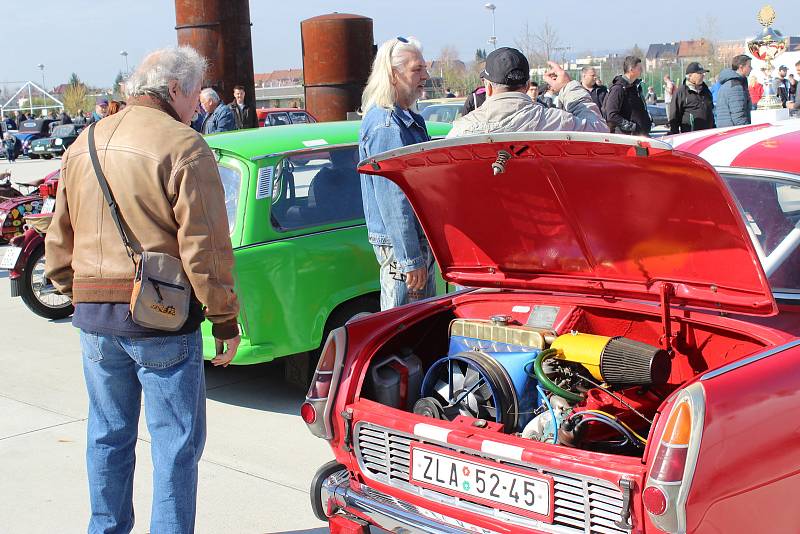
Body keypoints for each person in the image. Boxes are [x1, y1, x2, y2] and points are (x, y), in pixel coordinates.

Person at [44, 45, 241, 534]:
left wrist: (76, 292)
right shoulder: (186, 146)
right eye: (195, 94)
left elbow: (58, 238)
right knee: (175, 443)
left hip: (94, 318)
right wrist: (224, 319)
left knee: (107, 436)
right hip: (160, 320)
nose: (198, 105)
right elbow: (206, 248)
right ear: (174, 89)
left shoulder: (84, 143)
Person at [359, 36, 435, 310]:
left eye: (424, 68)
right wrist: (410, 259)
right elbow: (393, 198)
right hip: (402, 245)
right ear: (393, 75)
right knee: (402, 331)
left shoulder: (407, 119)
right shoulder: (386, 125)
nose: (425, 76)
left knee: (419, 328)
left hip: (413, 242)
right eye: (417, 69)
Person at [447, 47, 607, 137]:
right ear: (527, 85)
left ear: (488, 87)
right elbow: (600, 132)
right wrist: (568, 87)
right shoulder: (556, 121)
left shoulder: (461, 130)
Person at [603, 56, 652, 135]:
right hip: (627, 138)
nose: (641, 70)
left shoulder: (635, 87)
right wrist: (632, 127)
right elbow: (612, 115)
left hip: (640, 136)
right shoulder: (618, 89)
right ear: (631, 69)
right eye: (639, 68)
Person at [669, 62, 715, 134]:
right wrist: (675, 133)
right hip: (691, 136)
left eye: (703, 73)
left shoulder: (706, 91)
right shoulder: (681, 92)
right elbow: (674, 116)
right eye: (700, 73)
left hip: (708, 135)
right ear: (690, 76)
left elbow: (711, 112)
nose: (703, 75)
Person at [715, 54, 753, 127]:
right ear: (741, 67)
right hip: (733, 130)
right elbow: (738, 115)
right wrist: (746, 129)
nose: (751, 68)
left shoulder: (729, 83)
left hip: (727, 128)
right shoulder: (735, 86)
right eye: (749, 66)